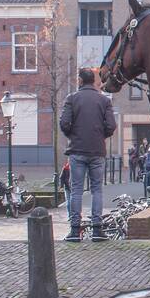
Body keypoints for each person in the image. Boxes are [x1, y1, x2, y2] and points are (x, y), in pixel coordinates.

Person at [59, 67, 117, 242]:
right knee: (97, 189)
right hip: (97, 150)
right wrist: (100, 136)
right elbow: (111, 126)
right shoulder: (104, 101)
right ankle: (97, 229)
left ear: (80, 81)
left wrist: (74, 136)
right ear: (93, 81)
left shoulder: (72, 99)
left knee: (76, 190)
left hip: (77, 150)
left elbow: (64, 123)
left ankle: (75, 230)